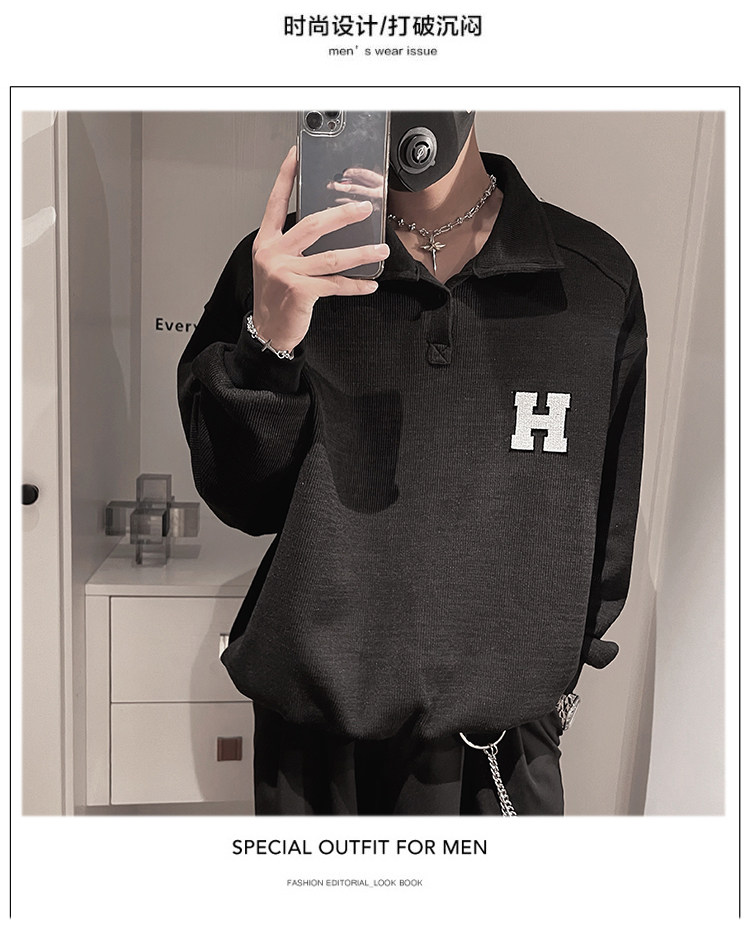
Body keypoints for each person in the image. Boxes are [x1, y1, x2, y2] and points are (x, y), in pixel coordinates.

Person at [177, 111, 647, 816]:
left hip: (498, 747)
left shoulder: (590, 280)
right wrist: (269, 344)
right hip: (315, 746)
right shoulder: (282, 264)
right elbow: (241, 499)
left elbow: (607, 535)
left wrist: (535, 681)